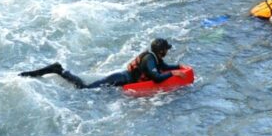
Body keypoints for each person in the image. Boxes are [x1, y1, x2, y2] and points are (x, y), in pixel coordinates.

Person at [19, 38, 182, 89]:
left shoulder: (154, 57)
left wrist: (178, 67)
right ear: (161, 51)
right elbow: (157, 78)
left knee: (87, 88)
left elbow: (164, 68)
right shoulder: (149, 59)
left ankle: (59, 69)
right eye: (166, 49)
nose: (167, 51)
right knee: (84, 89)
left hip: (122, 77)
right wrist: (173, 75)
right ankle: (59, 70)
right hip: (120, 79)